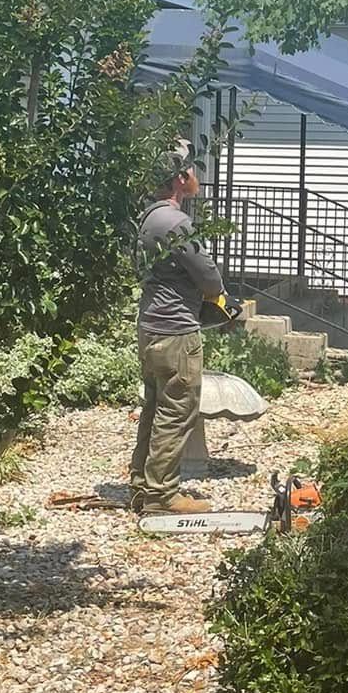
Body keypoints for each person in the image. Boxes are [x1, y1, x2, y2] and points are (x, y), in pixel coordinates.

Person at [130, 142, 226, 516]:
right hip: (176, 332)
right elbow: (209, 277)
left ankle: (142, 485)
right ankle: (162, 496)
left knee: (154, 408)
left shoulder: (147, 218)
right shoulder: (176, 223)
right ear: (181, 178)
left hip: (150, 326)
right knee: (176, 411)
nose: (197, 177)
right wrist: (217, 295)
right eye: (193, 171)